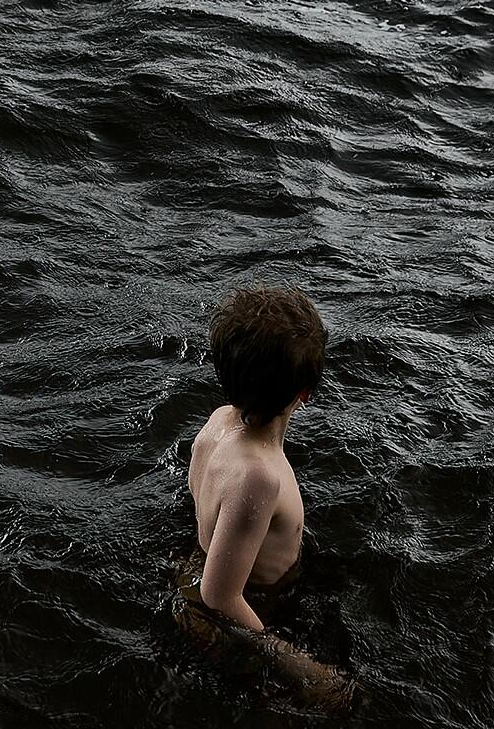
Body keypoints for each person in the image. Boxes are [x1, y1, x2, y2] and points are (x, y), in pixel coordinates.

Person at [173, 285, 357, 712]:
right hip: (246, 611)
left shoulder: (218, 422)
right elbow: (220, 596)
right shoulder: (259, 477)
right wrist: (301, 667)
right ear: (305, 393)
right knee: (338, 703)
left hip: (194, 571)